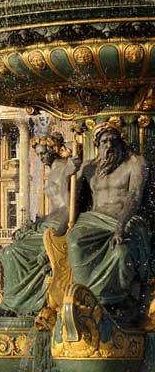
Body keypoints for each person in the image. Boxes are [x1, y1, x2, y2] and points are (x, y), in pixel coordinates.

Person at [0, 132, 75, 317]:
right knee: (7, 251)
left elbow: (69, 208)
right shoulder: (54, 169)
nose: (41, 157)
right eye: (39, 154)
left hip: (58, 228)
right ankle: (16, 303)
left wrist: (52, 242)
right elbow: (55, 209)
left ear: (54, 150)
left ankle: (13, 305)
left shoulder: (67, 168)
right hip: (48, 224)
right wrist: (33, 225)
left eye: (44, 153)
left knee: (12, 252)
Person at [66, 120, 149, 309]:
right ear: (97, 145)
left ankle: (117, 301)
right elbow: (68, 198)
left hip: (124, 220)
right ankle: (84, 297)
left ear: (121, 142)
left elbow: (135, 196)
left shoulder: (136, 163)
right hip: (94, 221)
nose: (109, 146)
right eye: (104, 142)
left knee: (121, 252)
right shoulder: (88, 168)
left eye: (113, 141)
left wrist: (121, 225)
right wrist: (70, 172)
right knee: (74, 242)